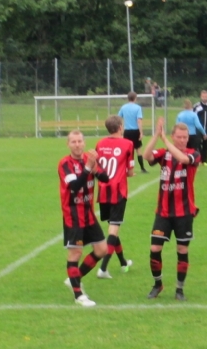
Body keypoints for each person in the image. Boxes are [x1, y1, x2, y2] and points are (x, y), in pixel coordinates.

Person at [143, 118, 201, 301]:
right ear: (173, 136)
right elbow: (146, 156)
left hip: (184, 212)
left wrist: (166, 141)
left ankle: (179, 289)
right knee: (155, 248)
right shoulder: (164, 154)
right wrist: (156, 135)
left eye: (185, 137)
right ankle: (157, 284)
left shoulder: (194, 154)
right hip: (163, 212)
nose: (182, 140)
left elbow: (182, 159)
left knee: (182, 249)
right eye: (179, 137)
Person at [58, 130, 109, 306]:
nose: (77, 145)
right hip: (73, 214)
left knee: (102, 250)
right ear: (68, 144)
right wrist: (88, 168)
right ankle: (78, 295)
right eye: (73, 142)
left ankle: (74, 278)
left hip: (88, 213)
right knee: (76, 252)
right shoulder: (65, 164)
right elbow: (74, 186)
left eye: (80, 141)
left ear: (84, 143)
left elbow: (105, 178)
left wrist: (96, 168)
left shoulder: (89, 158)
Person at [94, 115, 135, 279]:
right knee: (113, 230)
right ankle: (103, 269)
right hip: (118, 191)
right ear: (120, 127)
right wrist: (127, 172)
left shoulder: (100, 144)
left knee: (113, 228)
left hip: (103, 191)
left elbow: (97, 167)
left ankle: (123, 262)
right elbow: (130, 172)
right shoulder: (128, 144)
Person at [118, 92, 147, 173]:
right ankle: (142, 168)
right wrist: (141, 132)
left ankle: (127, 168)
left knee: (128, 151)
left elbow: (119, 118)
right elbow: (139, 120)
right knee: (138, 150)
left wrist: (121, 129)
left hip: (126, 131)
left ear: (128, 98)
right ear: (135, 98)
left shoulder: (123, 107)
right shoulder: (138, 108)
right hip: (135, 131)